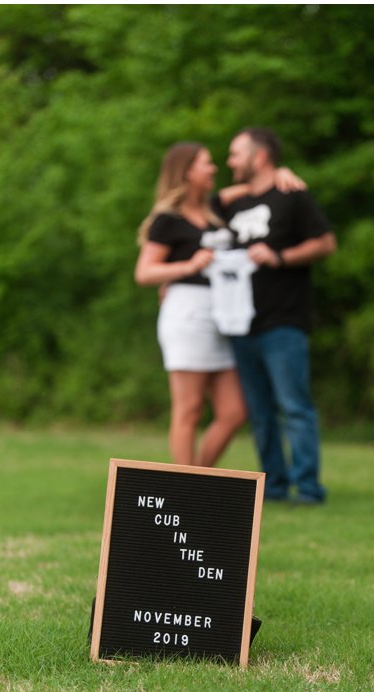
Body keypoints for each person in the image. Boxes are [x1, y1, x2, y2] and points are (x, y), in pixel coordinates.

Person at [215, 127, 337, 504]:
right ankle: (274, 486)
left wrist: (279, 257)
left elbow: (326, 243)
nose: (229, 162)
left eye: (236, 154)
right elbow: (197, 209)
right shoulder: (231, 205)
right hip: (240, 324)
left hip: (283, 321)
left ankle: (309, 488)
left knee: (294, 406)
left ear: (259, 156)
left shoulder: (292, 197)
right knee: (260, 413)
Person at [135, 142, 247, 468]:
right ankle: (187, 487)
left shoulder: (213, 211)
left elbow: (253, 188)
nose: (213, 169)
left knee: (234, 411)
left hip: (221, 315)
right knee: (189, 409)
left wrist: (281, 174)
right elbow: (144, 272)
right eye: (206, 163)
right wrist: (188, 266)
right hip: (187, 314)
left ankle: (197, 479)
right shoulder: (167, 220)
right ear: (186, 171)